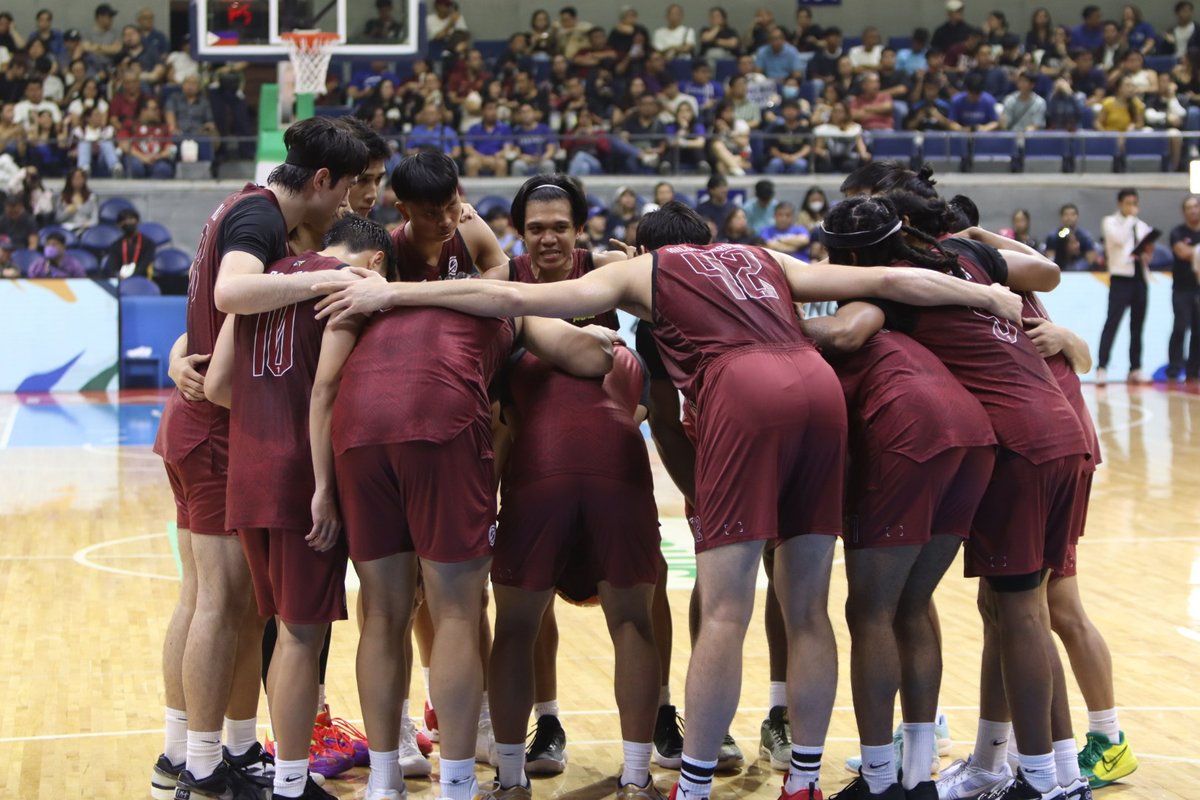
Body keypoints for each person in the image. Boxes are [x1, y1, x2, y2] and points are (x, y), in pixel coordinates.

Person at [311, 200, 1024, 800]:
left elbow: (510, 298)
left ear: (647, 249)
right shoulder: (761, 257)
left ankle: (696, 781)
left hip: (744, 395)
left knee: (722, 609)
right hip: (817, 388)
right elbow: (890, 277)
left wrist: (393, 293)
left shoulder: (642, 270)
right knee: (805, 606)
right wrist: (985, 294)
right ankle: (803, 779)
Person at [307, 246, 616, 800]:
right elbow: (589, 357)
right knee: (455, 612)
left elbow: (324, 387)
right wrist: (607, 341)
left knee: (382, 612)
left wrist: (322, 488)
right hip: (440, 424)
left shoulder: (373, 299)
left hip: (357, 434)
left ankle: (383, 780)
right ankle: (456, 783)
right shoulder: (499, 300)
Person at [150, 117, 369, 800]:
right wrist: (324, 278)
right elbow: (232, 293)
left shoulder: (239, 206)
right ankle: (205, 768)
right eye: (345, 193)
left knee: (214, 600)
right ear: (322, 180)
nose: (344, 209)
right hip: (216, 424)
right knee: (221, 601)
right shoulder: (260, 215)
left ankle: (199, 751)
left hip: (194, 419)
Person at [800, 196, 998, 800]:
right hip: (974, 434)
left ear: (843, 255)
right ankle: (917, 778)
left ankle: (881, 780)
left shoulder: (868, 298)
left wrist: (751, 324)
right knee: (912, 607)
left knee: (869, 613)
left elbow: (841, 330)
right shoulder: (933, 278)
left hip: (911, 430)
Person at [477, 176, 666, 799]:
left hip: (566, 461)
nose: (549, 237)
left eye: (560, 225)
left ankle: (512, 778)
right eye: (536, 228)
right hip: (594, 461)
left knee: (522, 623)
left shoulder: (613, 270)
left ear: (579, 227)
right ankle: (626, 766)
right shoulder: (507, 277)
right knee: (624, 618)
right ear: (519, 233)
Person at [202, 215, 395, 800]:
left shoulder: (269, 277)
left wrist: (267, 408)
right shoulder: (345, 283)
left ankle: (275, 771)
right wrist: (323, 487)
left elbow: (216, 387)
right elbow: (326, 390)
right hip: (299, 480)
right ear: (377, 263)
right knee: (300, 639)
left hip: (248, 475)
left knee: (284, 630)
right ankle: (291, 785)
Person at [1097, 188, 1154, 384]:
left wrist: (1147, 250)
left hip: (1140, 277)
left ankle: (1135, 368)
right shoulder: (1110, 222)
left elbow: (1146, 248)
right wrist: (1130, 220)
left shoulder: (1142, 225)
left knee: (1137, 325)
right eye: (1128, 203)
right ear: (1120, 204)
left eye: (1134, 203)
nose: (1132, 207)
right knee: (1112, 322)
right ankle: (1102, 367)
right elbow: (1119, 240)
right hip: (1121, 278)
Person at [1169, 195, 1200, 382]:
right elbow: (1183, 252)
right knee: (1181, 326)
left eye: (1196, 206)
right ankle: (1174, 369)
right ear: (1184, 212)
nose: (1193, 210)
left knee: (1198, 330)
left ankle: (1193, 371)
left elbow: (1191, 252)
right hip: (1182, 288)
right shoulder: (1178, 232)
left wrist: (1194, 251)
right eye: (1188, 207)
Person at [105, 206, 156, 280]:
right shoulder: (115, 245)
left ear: (137, 221)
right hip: (120, 280)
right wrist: (117, 275)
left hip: (141, 280)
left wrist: (132, 277)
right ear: (119, 224)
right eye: (124, 220)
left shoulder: (148, 244)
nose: (128, 222)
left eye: (131, 219)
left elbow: (144, 264)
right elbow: (112, 265)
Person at [1043, 204, 1097, 271]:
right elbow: (1050, 259)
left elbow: (1091, 260)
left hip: (1080, 269)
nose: (1069, 218)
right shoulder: (1053, 236)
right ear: (1061, 217)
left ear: (1077, 216)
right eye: (1066, 215)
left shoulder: (1085, 236)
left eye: (1072, 215)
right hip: (1060, 266)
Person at [765, 100, 811, 175]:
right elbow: (773, 149)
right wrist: (782, 156)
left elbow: (807, 148)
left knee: (800, 164)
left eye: (793, 109)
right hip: (780, 157)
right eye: (787, 109)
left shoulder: (804, 130)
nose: (790, 112)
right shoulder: (776, 129)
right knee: (774, 163)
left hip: (798, 157)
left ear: (798, 111)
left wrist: (795, 157)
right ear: (782, 111)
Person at [54, 166, 97, 232]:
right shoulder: (62, 197)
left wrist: (87, 224)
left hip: (85, 229)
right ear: (69, 180)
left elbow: (95, 219)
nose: (78, 181)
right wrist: (67, 212)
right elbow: (57, 219)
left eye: (80, 178)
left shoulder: (91, 197)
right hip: (67, 230)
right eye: (75, 178)